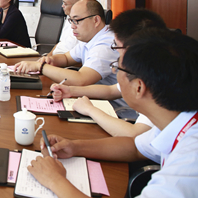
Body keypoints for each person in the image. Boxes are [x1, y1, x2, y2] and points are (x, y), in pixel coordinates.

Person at [27, 29, 198, 198]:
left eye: (117, 68)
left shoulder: (189, 164)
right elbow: (135, 148)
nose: (114, 72)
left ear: (139, 87)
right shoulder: (177, 120)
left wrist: (55, 180)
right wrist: (75, 147)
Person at [49, 8, 167, 137]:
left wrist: (90, 110)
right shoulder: (145, 68)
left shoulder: (158, 79)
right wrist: (70, 91)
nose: (115, 51)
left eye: (116, 46)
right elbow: (111, 90)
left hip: (127, 123)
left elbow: (134, 135)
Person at [13, 0, 119, 87]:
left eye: (76, 21)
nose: (72, 26)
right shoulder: (90, 37)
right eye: (71, 20)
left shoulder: (106, 44)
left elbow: (81, 80)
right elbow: (66, 58)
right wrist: (51, 60)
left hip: (110, 105)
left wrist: (40, 67)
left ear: (96, 20)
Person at [15, 0, 89, 70]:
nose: (62, 6)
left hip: (64, 67)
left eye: (65, 4)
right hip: (55, 61)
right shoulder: (68, 20)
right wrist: (48, 57)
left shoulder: (85, 28)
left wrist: (49, 65)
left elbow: (80, 59)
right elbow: (60, 44)